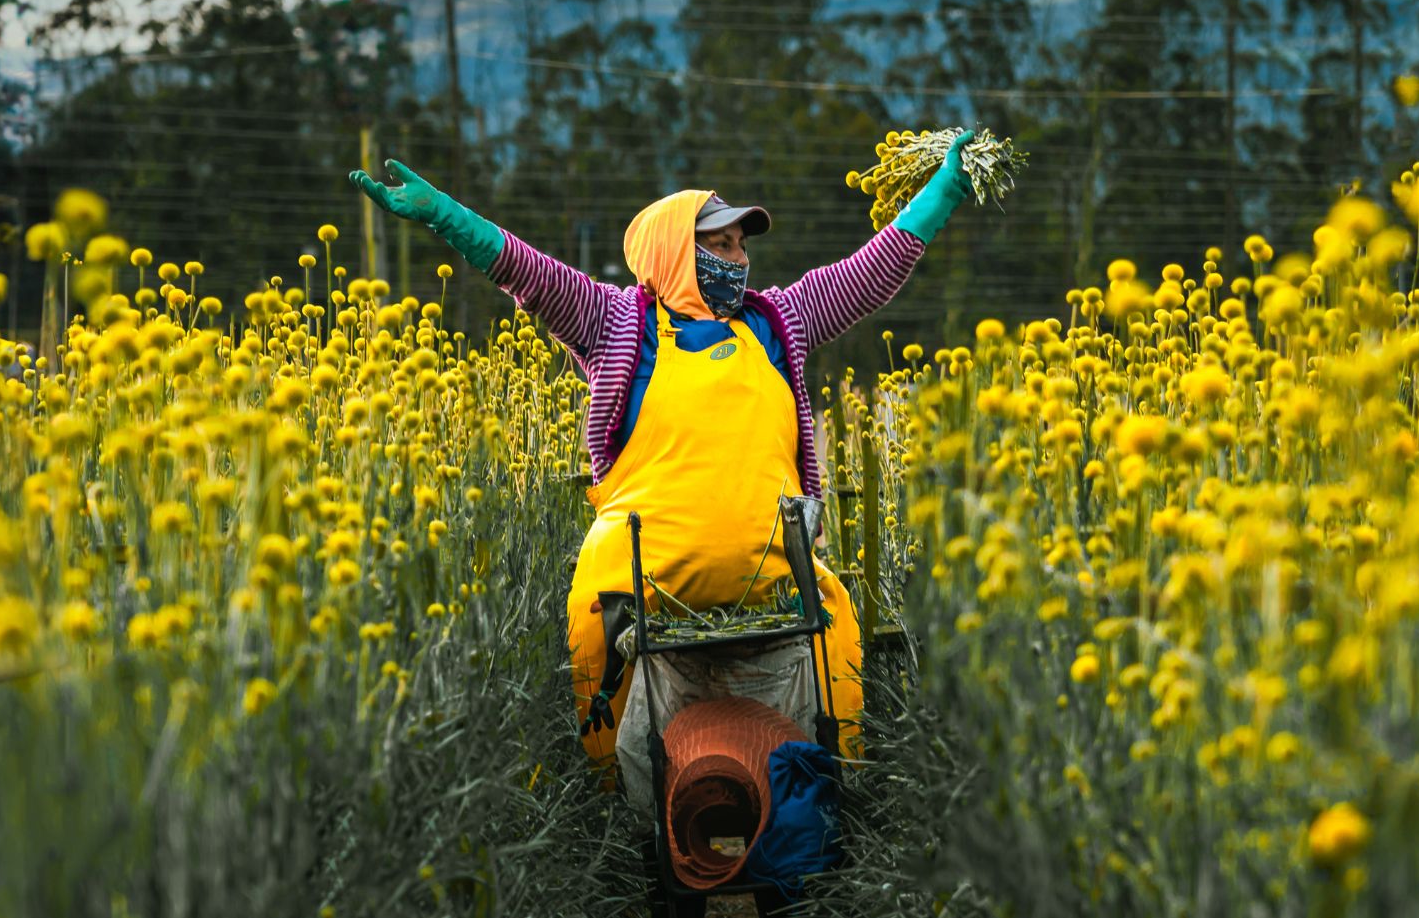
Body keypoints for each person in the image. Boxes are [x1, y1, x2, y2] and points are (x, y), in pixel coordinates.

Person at [349, 141, 975, 765]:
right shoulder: (614, 324)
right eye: (720, 245)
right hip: (645, 588)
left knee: (833, 641)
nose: (739, 260)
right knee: (599, 647)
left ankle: (834, 786)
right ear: (674, 251)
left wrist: (944, 191)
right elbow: (525, 270)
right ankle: (613, 819)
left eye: (742, 246)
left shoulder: (779, 320)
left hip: (774, 585)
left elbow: (870, 272)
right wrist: (441, 213)